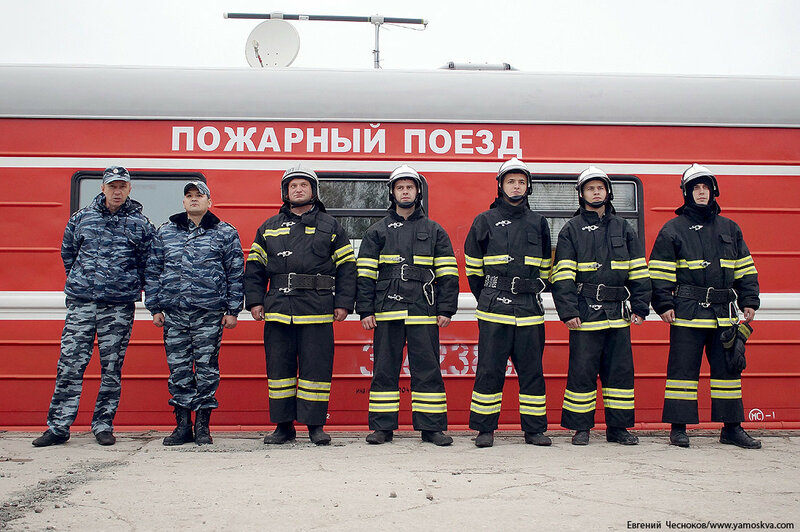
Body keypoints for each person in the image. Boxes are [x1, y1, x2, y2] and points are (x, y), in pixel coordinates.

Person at [32, 166, 155, 447]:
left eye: (122, 186)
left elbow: (148, 263)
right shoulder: (81, 219)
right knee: (70, 365)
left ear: (129, 189)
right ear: (102, 188)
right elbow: (68, 254)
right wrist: (83, 284)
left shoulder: (141, 224)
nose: (117, 191)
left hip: (118, 307)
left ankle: (103, 425)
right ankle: (59, 426)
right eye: (112, 186)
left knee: (111, 368)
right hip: (82, 304)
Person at [649, 164, 761, 449]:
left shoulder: (730, 228)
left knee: (728, 373)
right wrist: (663, 303)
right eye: (696, 188)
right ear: (687, 193)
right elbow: (659, 273)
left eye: (706, 187)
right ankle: (678, 428)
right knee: (682, 371)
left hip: (723, 312)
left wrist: (749, 300)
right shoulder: (673, 229)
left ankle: (732, 428)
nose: (701, 192)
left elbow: (745, 269)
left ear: (713, 191)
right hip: (687, 310)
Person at [244, 164, 356, 446]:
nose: (298, 189)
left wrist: (343, 303)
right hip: (279, 310)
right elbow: (255, 267)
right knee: (279, 371)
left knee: (316, 372)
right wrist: (255, 301)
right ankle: (283, 427)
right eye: (292, 185)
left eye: (303, 185)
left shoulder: (331, 226)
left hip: (317, 310)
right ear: (285, 192)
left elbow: (347, 267)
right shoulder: (268, 227)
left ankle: (315, 426)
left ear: (313, 191)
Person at [356, 165, 459, 446]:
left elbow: (449, 273)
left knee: (427, 369)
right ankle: (382, 428)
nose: (405, 192)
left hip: (423, 310)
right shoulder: (376, 231)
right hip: (386, 310)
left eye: (409, 187)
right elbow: (364, 274)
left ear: (418, 192)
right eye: (400, 187)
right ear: (392, 192)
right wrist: (365, 310)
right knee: (384, 370)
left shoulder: (434, 231)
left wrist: (446, 309)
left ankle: (432, 428)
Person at [552, 166, 651, 446]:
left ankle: (618, 428)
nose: (596, 192)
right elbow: (562, 275)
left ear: (607, 192)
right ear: (581, 194)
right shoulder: (571, 230)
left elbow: (639, 271)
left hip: (618, 315)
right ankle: (581, 428)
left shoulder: (624, 228)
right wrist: (568, 311)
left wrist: (640, 306)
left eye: (600, 188)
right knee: (582, 372)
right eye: (590, 188)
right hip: (585, 313)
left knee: (619, 373)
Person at [144, 181, 244, 446]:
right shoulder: (165, 232)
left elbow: (235, 273)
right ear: (183, 202)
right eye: (189, 196)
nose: (193, 200)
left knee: (207, 370)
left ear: (209, 201)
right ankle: (182, 426)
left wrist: (233, 310)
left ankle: (203, 427)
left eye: (199, 195)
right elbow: (153, 271)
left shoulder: (225, 233)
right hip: (174, 314)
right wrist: (154, 307)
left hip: (209, 314)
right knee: (178, 371)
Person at [463, 158, 552, 448]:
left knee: (532, 371)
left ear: (528, 187)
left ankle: (534, 430)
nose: (516, 186)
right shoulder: (483, 221)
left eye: (521, 182)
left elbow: (546, 268)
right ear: (501, 185)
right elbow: (473, 269)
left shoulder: (539, 223)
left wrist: (527, 290)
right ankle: (485, 429)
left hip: (529, 309)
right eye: (511, 181)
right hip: (493, 309)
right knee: (489, 369)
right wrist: (489, 294)